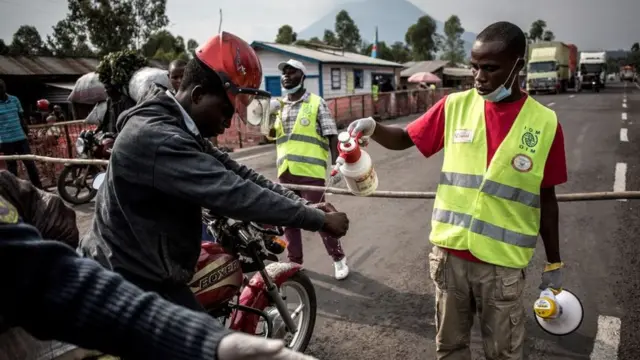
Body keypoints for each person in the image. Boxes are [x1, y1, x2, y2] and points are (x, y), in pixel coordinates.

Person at [79, 32, 349, 311]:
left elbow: (238, 173)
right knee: (209, 343)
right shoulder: (160, 137)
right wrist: (317, 219)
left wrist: (306, 206)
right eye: (225, 110)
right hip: (129, 278)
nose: (227, 123)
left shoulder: (178, 125)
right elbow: (236, 193)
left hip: (144, 261)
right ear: (197, 95)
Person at [348, 21, 567, 360]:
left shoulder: (545, 124)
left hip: (503, 266)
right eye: (475, 66)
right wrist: (373, 127)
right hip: (450, 257)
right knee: (450, 349)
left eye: (490, 68)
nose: (479, 76)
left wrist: (554, 263)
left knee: (505, 354)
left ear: (518, 66)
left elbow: (547, 201)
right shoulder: (455, 106)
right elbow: (406, 138)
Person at [0, 195, 318, 360]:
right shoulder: (160, 135)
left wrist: (211, 344)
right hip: (132, 266)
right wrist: (210, 343)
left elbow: (42, 274)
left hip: (102, 257)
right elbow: (230, 186)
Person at [270, 59, 349, 280]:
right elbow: (272, 135)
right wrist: (267, 115)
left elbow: (331, 133)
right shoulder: (279, 106)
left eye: (291, 71)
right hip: (285, 171)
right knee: (289, 219)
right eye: (283, 72)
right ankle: (294, 263)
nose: (286, 75)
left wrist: (336, 165)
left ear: (302, 76)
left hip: (310, 172)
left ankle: (338, 258)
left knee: (319, 217)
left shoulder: (316, 103)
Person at [0, 79, 42, 188]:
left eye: (1, 87)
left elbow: (22, 118)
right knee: (12, 169)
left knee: (30, 165)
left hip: (21, 138)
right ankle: (17, 193)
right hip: (6, 141)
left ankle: (39, 188)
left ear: (4, 88)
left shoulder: (14, 100)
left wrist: (26, 134)